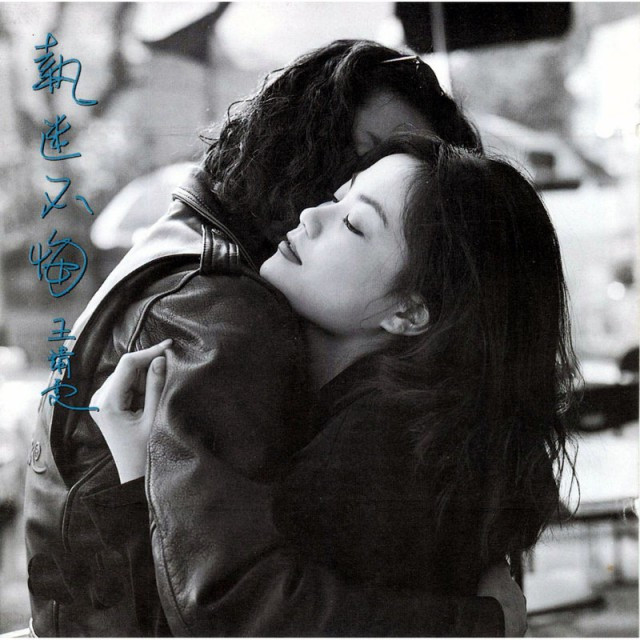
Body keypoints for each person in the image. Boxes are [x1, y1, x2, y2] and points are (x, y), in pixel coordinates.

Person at [24, 40, 517, 637]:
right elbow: (230, 606)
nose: (403, 177)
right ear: (303, 137)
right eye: (360, 166)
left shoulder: (208, 246)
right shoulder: (223, 308)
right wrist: (478, 623)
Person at [92, 134, 577, 636]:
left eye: (353, 223)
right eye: (338, 196)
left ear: (409, 311)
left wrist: (138, 474)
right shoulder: (392, 422)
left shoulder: (382, 444)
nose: (311, 215)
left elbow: (239, 620)